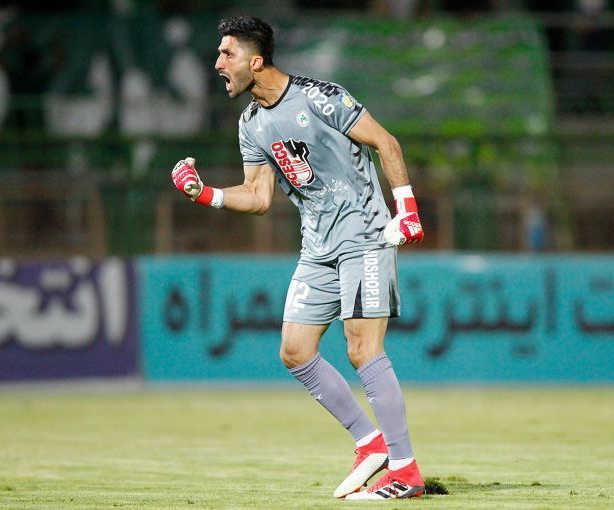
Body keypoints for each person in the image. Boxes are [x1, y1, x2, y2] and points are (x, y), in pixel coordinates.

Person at [171, 16, 426, 500]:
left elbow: (386, 143)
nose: (218, 63)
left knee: (362, 348)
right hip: (317, 249)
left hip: (364, 236)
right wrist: (205, 194)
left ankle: (405, 470)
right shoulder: (250, 123)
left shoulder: (320, 97)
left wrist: (407, 209)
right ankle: (369, 442)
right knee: (295, 350)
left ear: (256, 61)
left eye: (227, 53)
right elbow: (257, 196)